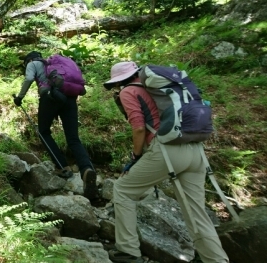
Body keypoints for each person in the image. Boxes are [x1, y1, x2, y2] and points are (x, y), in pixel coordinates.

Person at [103, 61, 229, 263]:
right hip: (195, 150)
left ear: (119, 81)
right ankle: (216, 260)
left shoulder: (128, 91)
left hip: (167, 151)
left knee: (123, 190)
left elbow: (138, 128)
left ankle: (128, 251)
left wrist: (135, 157)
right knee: (196, 212)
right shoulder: (163, 88)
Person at [13, 51, 98, 199]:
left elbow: (28, 79)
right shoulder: (52, 65)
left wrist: (19, 98)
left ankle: (62, 166)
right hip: (70, 99)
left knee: (43, 132)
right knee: (73, 138)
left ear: (29, 60)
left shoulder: (33, 64)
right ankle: (86, 169)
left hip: (50, 98)